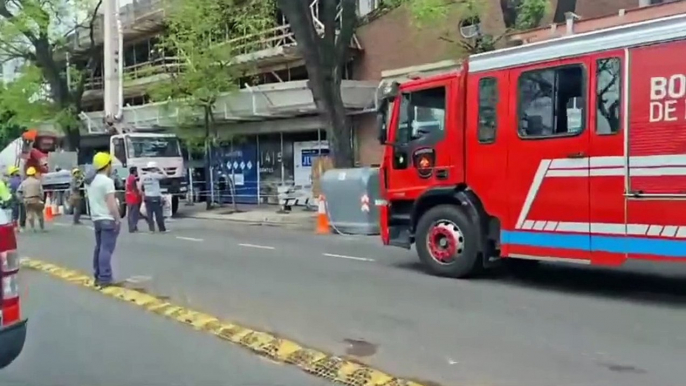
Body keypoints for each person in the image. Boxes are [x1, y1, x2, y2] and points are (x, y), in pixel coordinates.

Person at [84, 152, 121, 287]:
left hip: (96, 219)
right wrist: (117, 218)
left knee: (99, 248)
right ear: (107, 165)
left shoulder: (90, 181)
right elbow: (111, 203)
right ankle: (105, 277)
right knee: (106, 249)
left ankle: (98, 275)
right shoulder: (107, 182)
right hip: (107, 218)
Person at [139, 161, 167, 233]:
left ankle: (151, 229)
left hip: (147, 197)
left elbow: (139, 186)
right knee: (159, 214)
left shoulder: (143, 176)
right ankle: (162, 229)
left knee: (149, 214)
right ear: (154, 168)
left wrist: (143, 193)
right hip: (156, 196)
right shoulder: (155, 175)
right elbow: (165, 176)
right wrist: (161, 169)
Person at [18, 167, 45, 232]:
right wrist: (42, 199)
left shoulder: (24, 182)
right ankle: (42, 228)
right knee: (40, 214)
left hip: (27, 200)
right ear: (34, 174)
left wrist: (22, 199)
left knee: (30, 214)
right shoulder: (37, 182)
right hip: (37, 199)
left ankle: (33, 228)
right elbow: (41, 192)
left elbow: (19, 191)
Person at [125, 166, 142, 233]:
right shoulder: (133, 178)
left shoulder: (128, 178)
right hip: (133, 197)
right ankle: (133, 227)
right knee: (134, 213)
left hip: (128, 197)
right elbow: (134, 187)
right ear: (134, 171)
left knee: (130, 213)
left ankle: (132, 227)